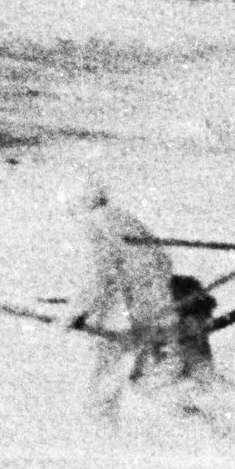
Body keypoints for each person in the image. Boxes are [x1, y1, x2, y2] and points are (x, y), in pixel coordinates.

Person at [56, 177, 213, 430]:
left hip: (125, 317)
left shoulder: (93, 225)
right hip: (159, 309)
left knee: (104, 380)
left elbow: (98, 277)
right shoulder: (123, 219)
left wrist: (75, 313)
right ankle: (206, 429)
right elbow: (161, 262)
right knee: (150, 377)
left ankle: (101, 443)